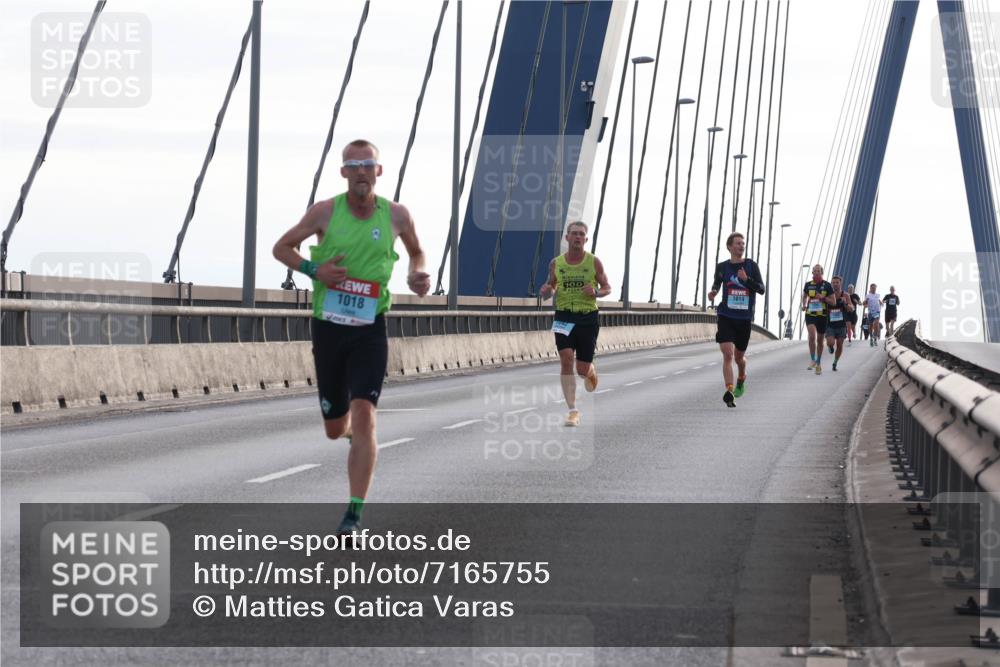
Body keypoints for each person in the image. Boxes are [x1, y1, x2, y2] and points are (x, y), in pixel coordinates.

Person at [272, 139, 430, 536]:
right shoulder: (325, 212)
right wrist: (314, 269)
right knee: (334, 426)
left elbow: (417, 253)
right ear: (343, 173)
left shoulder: (396, 215)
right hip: (329, 327)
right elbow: (281, 248)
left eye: (368, 164)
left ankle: (354, 513)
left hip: (371, 328)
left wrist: (417, 274)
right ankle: (347, 435)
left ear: (379, 171)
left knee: (366, 415)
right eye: (353, 165)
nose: (361, 171)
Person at [539, 222, 611, 426]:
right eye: (574, 234)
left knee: (581, 369)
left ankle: (590, 370)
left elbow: (607, 286)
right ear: (567, 238)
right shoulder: (556, 263)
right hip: (563, 315)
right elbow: (550, 288)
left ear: (586, 239)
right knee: (566, 358)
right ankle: (573, 411)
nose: (578, 237)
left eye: (582, 234)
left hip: (587, 317)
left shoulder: (594, 262)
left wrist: (596, 292)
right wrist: (547, 291)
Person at [708, 232, 766, 408]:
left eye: (743, 243)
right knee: (728, 354)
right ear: (729, 247)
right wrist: (713, 292)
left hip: (744, 318)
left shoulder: (751, 266)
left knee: (739, 358)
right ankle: (729, 390)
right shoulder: (722, 267)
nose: (741, 246)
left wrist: (746, 279)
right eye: (738, 243)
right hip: (726, 315)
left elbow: (761, 289)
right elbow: (717, 283)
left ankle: (741, 377)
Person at [801, 264, 834, 375]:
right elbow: (805, 296)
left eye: (818, 271)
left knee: (820, 341)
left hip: (822, 316)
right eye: (814, 271)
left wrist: (823, 298)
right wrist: (804, 304)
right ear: (812, 272)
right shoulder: (808, 285)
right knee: (811, 336)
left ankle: (818, 362)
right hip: (810, 314)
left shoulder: (827, 285)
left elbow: (833, 302)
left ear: (822, 272)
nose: (816, 273)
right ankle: (812, 359)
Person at [824, 276, 853, 371]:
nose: (835, 284)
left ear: (840, 283)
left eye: (837, 282)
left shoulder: (846, 295)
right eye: (833, 282)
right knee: (830, 342)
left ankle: (835, 362)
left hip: (841, 325)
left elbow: (851, 309)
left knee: (840, 345)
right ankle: (830, 347)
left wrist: (845, 304)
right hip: (830, 325)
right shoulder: (828, 295)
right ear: (831, 284)